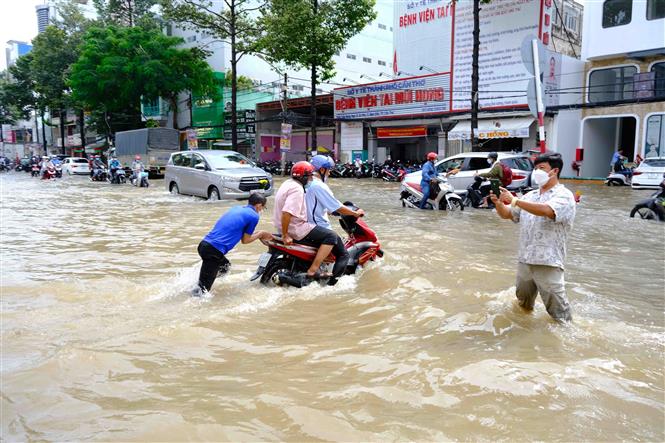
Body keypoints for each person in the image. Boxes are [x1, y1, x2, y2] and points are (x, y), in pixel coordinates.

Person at [490, 152, 576, 322]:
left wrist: (514, 200)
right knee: (523, 305)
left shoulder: (564, 195)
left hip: (548, 261)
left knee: (559, 314)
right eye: (535, 168)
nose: (537, 172)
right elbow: (509, 214)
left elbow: (547, 210)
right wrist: (499, 203)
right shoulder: (530, 196)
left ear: (555, 171)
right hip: (525, 259)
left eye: (542, 168)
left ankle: (564, 342)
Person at [273, 161, 347, 282]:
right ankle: (313, 270)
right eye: (310, 176)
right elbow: (287, 213)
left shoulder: (287, 183)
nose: (312, 179)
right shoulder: (297, 189)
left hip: (283, 226)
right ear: (303, 177)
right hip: (295, 228)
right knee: (331, 236)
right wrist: (285, 235)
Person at [195, 193, 272, 295]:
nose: (261, 210)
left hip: (204, 245)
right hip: (214, 251)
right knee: (202, 292)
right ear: (259, 205)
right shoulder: (254, 216)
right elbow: (245, 240)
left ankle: (207, 278)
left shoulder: (237, 208)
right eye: (263, 207)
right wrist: (261, 234)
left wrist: (259, 234)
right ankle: (200, 292)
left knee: (225, 267)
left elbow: (238, 230)